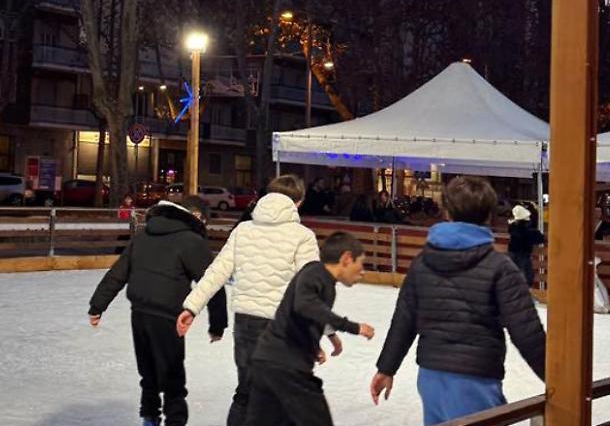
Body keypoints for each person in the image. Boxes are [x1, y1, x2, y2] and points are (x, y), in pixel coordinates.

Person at [371, 176, 546, 426]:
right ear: (489, 216)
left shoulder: (422, 262)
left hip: (431, 378)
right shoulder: (500, 267)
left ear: (446, 213)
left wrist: (386, 368)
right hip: (475, 379)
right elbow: (526, 331)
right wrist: (558, 380)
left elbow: (404, 319)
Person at [175, 174, 320, 426]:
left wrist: (191, 306)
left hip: (246, 323)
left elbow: (216, 272)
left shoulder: (243, 230)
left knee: (246, 391)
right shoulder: (302, 236)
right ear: (298, 202)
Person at [88, 197, 227, 426]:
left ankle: (149, 417)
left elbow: (118, 273)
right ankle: (174, 421)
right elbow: (210, 283)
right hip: (168, 316)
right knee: (172, 376)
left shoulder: (143, 236)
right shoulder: (191, 241)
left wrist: (97, 305)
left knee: (149, 372)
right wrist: (218, 324)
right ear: (196, 217)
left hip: (140, 313)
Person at [245, 232, 376, 426]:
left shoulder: (321, 279)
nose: (362, 271)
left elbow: (305, 314)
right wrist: (352, 327)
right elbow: (305, 305)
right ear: (347, 258)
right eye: (361, 263)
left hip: (268, 362)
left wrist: (313, 345)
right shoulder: (315, 272)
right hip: (286, 367)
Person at [507, 205, 546, 288]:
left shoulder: (512, 228)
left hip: (512, 253)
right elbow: (540, 238)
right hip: (523, 255)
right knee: (527, 276)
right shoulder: (528, 231)